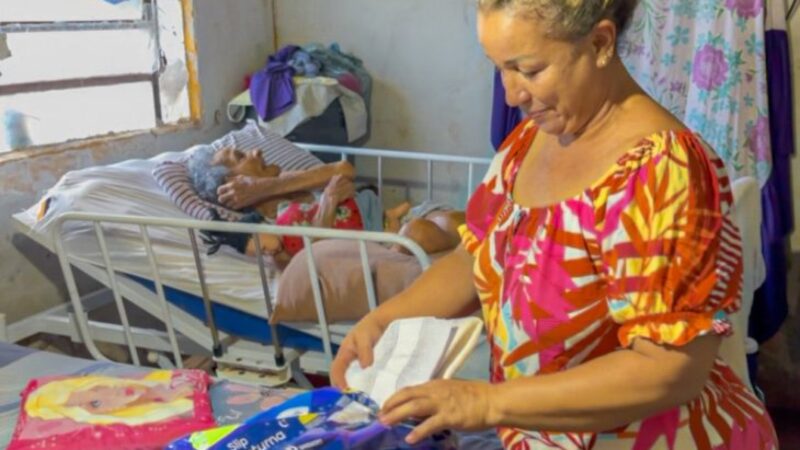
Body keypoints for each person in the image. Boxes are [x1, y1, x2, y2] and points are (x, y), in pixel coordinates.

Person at [329, 1, 778, 449]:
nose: (511, 95)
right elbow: (476, 257)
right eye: (499, 68)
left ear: (600, 43)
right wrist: (383, 319)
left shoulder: (661, 172)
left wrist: (486, 402)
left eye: (528, 70)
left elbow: (670, 368)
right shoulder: (528, 142)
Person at [190, 147, 466, 266]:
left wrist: (263, 187)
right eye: (241, 156)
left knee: (461, 223)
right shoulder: (272, 229)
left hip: (405, 217)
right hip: (390, 241)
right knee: (420, 233)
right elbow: (310, 263)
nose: (257, 152)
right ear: (232, 184)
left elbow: (344, 169)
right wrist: (327, 203)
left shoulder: (286, 180)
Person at [25, 372, 195, 425]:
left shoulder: (158, 380)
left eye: (96, 388)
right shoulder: (174, 417)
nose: (110, 394)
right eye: (95, 404)